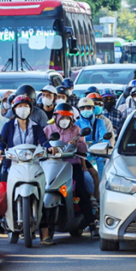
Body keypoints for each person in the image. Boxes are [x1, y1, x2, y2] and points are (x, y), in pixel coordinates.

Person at [0, 95, 50, 246]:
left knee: (42, 193)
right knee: (3, 195)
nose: (23, 109)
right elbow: (1, 142)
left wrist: (50, 148)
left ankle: (45, 234)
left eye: (26, 106)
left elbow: (44, 141)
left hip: (33, 165)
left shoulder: (36, 126)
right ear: (14, 109)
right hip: (12, 165)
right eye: (19, 106)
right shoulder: (8, 126)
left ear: (31, 109)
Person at [43, 103, 98, 242]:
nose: (64, 120)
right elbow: (41, 146)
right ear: (56, 116)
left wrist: (84, 166)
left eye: (67, 117)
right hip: (52, 167)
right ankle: (42, 229)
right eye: (62, 117)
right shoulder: (48, 129)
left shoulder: (76, 130)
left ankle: (92, 225)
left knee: (81, 191)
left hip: (72, 166)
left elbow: (82, 152)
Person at [75, 97, 108, 175]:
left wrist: (105, 151)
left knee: (101, 178)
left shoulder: (99, 122)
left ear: (93, 108)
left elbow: (105, 137)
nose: (85, 110)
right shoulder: (77, 124)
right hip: (83, 156)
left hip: (98, 154)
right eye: (82, 108)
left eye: (88, 107)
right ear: (79, 110)